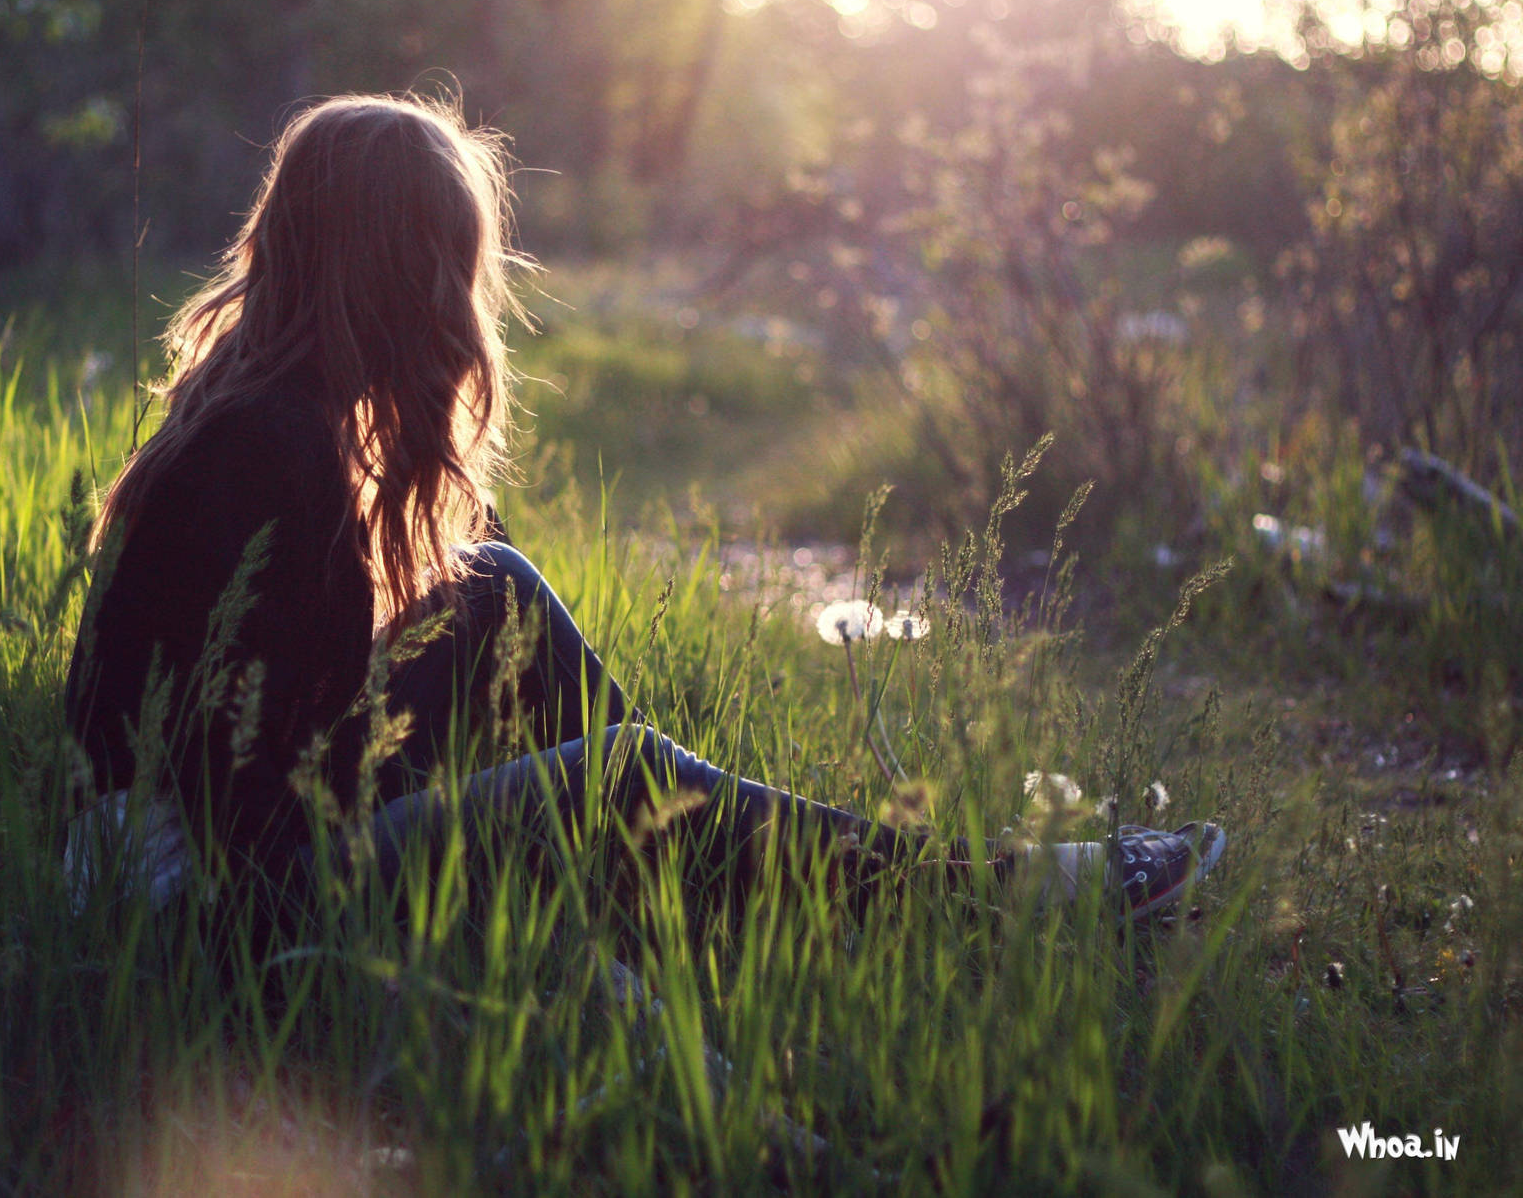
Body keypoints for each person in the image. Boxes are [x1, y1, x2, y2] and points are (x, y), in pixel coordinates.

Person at [61, 93, 1225, 936]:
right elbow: (238, 811)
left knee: (495, 589)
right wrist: (502, 810)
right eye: (448, 269)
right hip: (197, 902)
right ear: (393, 273)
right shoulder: (267, 452)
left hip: (235, 841)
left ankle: (682, 857)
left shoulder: (280, 413)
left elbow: (264, 730)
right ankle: (990, 897)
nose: (460, 310)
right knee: (609, 770)